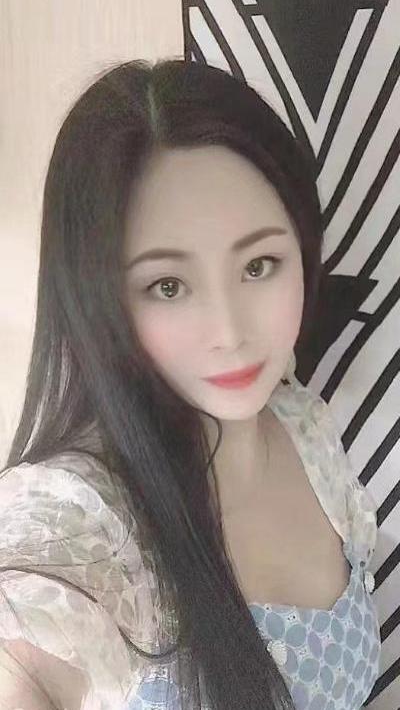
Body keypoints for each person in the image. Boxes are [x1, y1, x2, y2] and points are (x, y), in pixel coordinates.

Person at [0, 57, 380, 710]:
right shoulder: (83, 524)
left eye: (259, 265)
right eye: (168, 285)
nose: (229, 332)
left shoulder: (306, 430)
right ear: (98, 300)